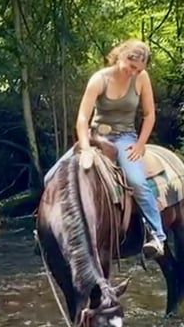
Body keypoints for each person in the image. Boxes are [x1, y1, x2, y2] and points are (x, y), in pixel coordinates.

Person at [44, 39, 166, 259]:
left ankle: (158, 235)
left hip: (124, 137)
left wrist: (140, 145)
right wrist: (86, 148)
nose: (133, 72)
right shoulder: (99, 79)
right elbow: (82, 118)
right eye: (131, 67)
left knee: (137, 181)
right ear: (120, 57)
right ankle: (44, 233)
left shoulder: (141, 78)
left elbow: (149, 115)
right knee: (50, 177)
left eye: (138, 69)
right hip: (95, 136)